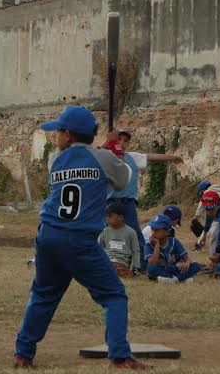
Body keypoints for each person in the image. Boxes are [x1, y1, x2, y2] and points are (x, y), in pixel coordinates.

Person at [14, 106, 149, 370]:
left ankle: (23, 353)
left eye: (59, 132)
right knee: (114, 295)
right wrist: (114, 152)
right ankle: (119, 356)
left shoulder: (56, 160)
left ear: (67, 134)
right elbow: (123, 179)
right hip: (79, 240)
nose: (56, 138)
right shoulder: (103, 158)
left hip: (48, 236)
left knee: (43, 295)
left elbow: (84, 158)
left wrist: (106, 149)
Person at [106, 128, 183, 259]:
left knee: (135, 234)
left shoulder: (133, 157)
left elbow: (151, 156)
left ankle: (142, 262)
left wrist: (172, 157)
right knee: (107, 234)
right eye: (119, 139)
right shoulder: (106, 156)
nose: (122, 143)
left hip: (128, 203)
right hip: (111, 202)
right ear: (113, 140)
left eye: (126, 141)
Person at [144, 214, 202, 284]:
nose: (153, 233)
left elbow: (187, 258)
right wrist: (157, 245)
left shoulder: (174, 242)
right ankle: (182, 279)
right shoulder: (148, 245)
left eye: (157, 230)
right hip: (161, 270)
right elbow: (153, 262)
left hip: (175, 268)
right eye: (152, 229)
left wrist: (186, 263)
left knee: (195, 266)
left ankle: (173, 280)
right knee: (151, 268)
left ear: (167, 232)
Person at [98, 203, 141, 278]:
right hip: (107, 260)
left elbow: (136, 252)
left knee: (117, 268)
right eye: (106, 216)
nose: (107, 218)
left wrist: (135, 269)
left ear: (121, 217)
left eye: (110, 216)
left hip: (122, 262)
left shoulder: (131, 232)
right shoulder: (104, 231)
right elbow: (98, 249)